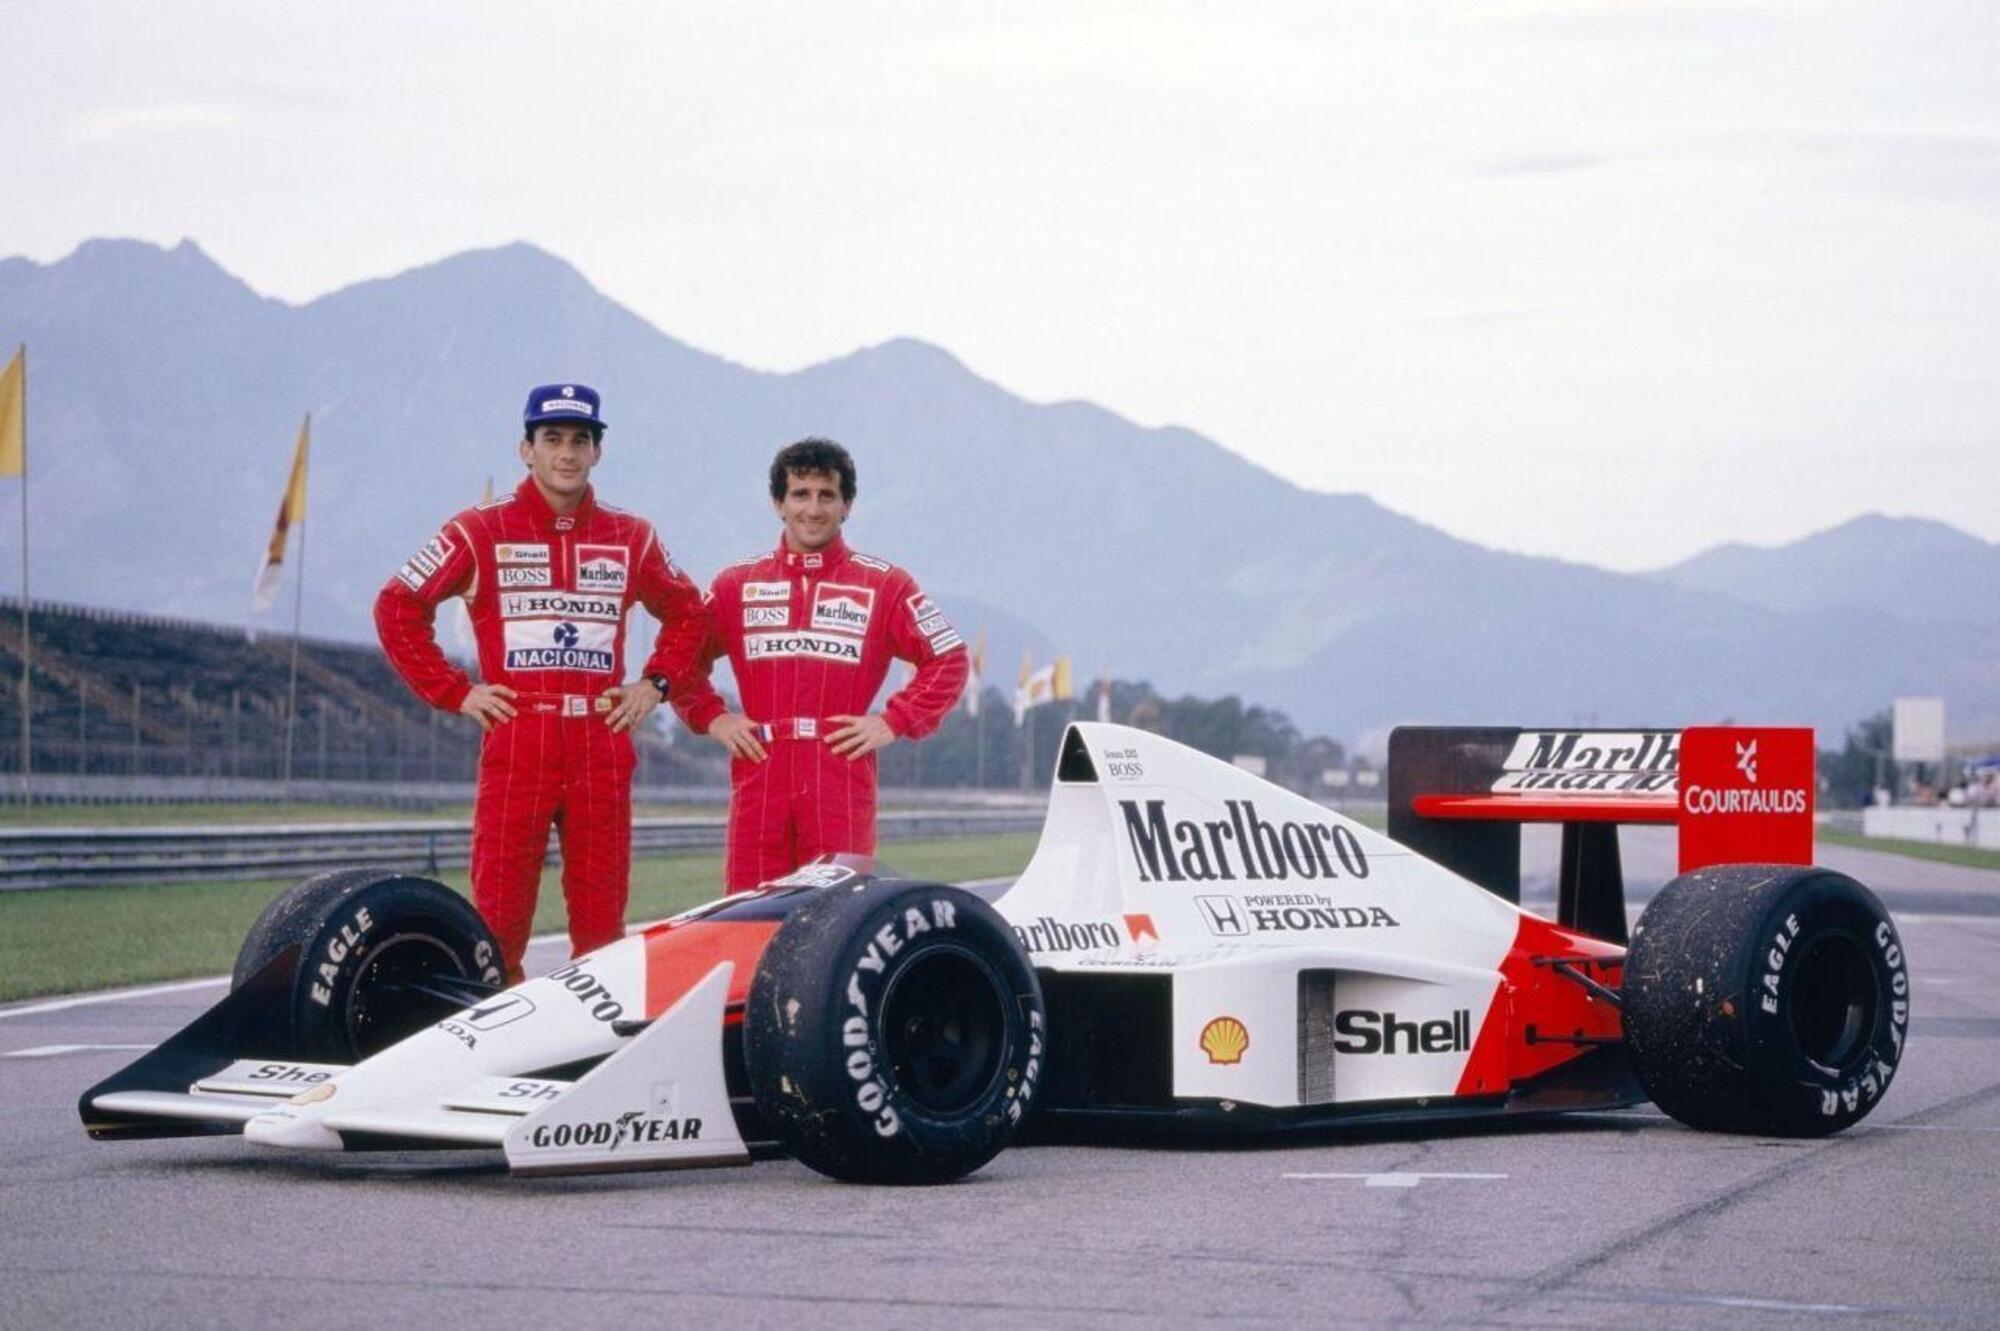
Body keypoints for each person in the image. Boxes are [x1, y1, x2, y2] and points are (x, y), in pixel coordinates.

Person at [375, 383, 708, 981]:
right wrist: (456, 691)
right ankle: (496, 1051)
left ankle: (594, 1053)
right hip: (518, 734)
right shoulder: (479, 528)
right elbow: (397, 605)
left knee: (602, 929)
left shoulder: (633, 536)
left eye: (581, 440)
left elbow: (691, 612)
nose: (567, 453)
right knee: (498, 925)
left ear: (598, 453)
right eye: (552, 439)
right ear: (525, 449)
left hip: (601, 739)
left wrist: (654, 685)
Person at [673, 437, 968, 891]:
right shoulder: (736, 583)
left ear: (847, 504)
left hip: (840, 773)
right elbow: (679, 659)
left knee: (836, 921)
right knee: (748, 920)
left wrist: (894, 720)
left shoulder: (884, 584)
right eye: (800, 494)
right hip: (761, 770)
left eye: (826, 495)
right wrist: (714, 718)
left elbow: (948, 657)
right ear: (778, 503)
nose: (813, 509)